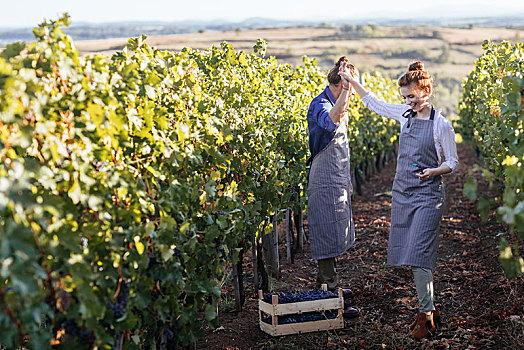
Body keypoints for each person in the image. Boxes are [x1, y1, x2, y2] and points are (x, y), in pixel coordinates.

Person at [339, 61, 458, 338]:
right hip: (403, 193)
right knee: (412, 253)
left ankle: (425, 314)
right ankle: (430, 310)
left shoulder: (441, 124)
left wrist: (434, 171)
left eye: (412, 96)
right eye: (404, 97)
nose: (408, 102)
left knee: (419, 255)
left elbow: (452, 162)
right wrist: (352, 80)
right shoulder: (405, 115)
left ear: (425, 91)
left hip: (429, 195)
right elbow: (375, 104)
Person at [306, 56, 359, 319]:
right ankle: (329, 297)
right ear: (341, 85)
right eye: (350, 86)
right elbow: (331, 121)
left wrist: (346, 178)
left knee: (336, 231)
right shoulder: (321, 104)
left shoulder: (338, 102)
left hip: (336, 176)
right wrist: (348, 90)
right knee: (326, 233)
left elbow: (342, 149)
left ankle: (327, 287)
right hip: (323, 179)